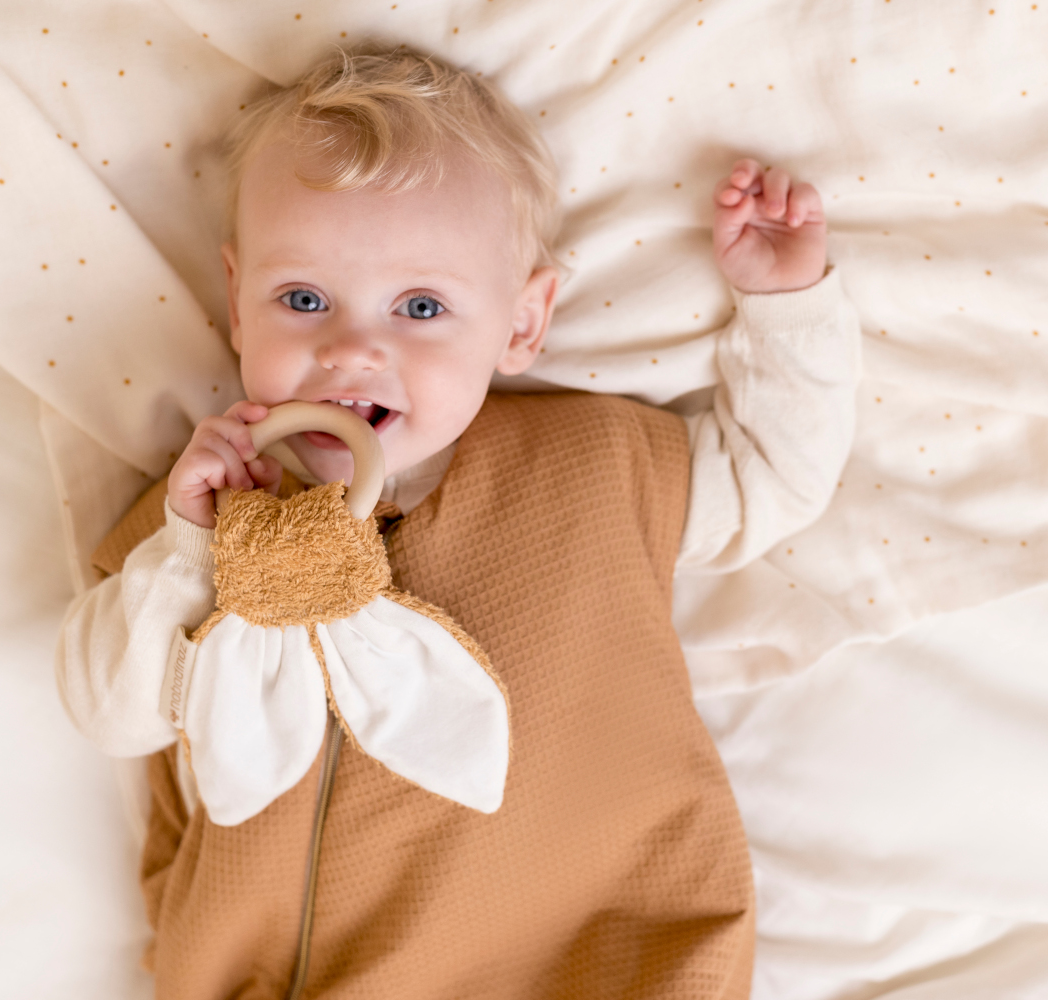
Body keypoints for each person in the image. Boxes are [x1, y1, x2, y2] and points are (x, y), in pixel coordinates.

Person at [57, 47, 856, 999]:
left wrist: (788, 307)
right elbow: (109, 714)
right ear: (238, 302)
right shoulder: (211, 510)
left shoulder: (593, 468)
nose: (353, 347)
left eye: (422, 307)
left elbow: (772, 477)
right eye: (302, 299)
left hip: (595, 952)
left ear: (523, 323)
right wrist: (187, 552)